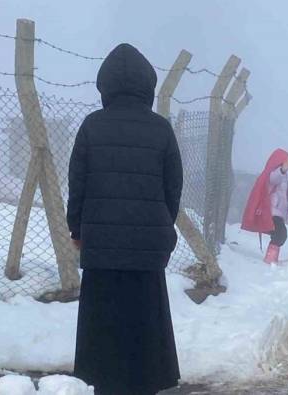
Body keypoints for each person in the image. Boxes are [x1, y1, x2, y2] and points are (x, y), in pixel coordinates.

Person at [67, 43, 182, 394]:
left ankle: (101, 381)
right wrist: (162, 224)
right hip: (148, 246)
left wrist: (77, 228)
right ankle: (146, 382)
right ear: (149, 85)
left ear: (105, 86)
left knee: (102, 318)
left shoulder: (91, 126)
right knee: (146, 316)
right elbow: (172, 187)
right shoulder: (161, 129)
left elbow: (78, 183)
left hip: (101, 247)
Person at [241, 149, 288, 264]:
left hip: (276, 211)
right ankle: (270, 259)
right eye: (287, 160)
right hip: (272, 211)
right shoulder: (273, 172)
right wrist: (282, 170)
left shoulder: (282, 174)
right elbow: (273, 179)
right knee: (280, 234)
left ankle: (271, 258)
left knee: (280, 234)